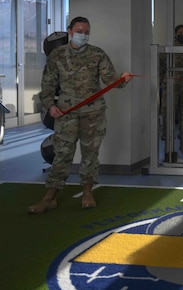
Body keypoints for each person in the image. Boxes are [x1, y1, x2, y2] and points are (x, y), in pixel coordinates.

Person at [29, 16, 133, 214]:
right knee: (62, 154)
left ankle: (87, 193)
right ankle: (49, 197)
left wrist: (123, 79)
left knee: (90, 155)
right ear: (69, 31)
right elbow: (48, 84)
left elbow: (111, 80)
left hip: (92, 113)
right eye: (79, 31)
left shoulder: (97, 54)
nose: (82, 35)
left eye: (86, 32)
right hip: (66, 113)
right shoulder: (57, 55)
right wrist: (50, 106)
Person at [159, 24, 183, 157]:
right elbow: (161, 66)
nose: (182, 35)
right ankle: (166, 134)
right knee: (167, 110)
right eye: (179, 32)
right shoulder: (169, 49)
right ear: (175, 34)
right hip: (171, 85)